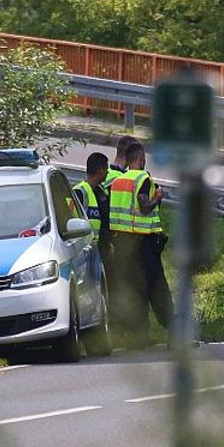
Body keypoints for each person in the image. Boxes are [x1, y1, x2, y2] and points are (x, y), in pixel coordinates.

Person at [107, 142, 172, 346]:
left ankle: (137, 338)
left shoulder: (118, 181)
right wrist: (158, 196)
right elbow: (144, 207)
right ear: (142, 159)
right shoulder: (143, 178)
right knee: (159, 289)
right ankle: (176, 335)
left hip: (123, 246)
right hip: (144, 245)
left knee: (136, 292)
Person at [73, 152, 111, 259]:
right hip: (84, 249)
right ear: (100, 170)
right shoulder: (79, 192)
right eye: (106, 168)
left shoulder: (102, 193)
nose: (108, 172)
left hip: (100, 247)